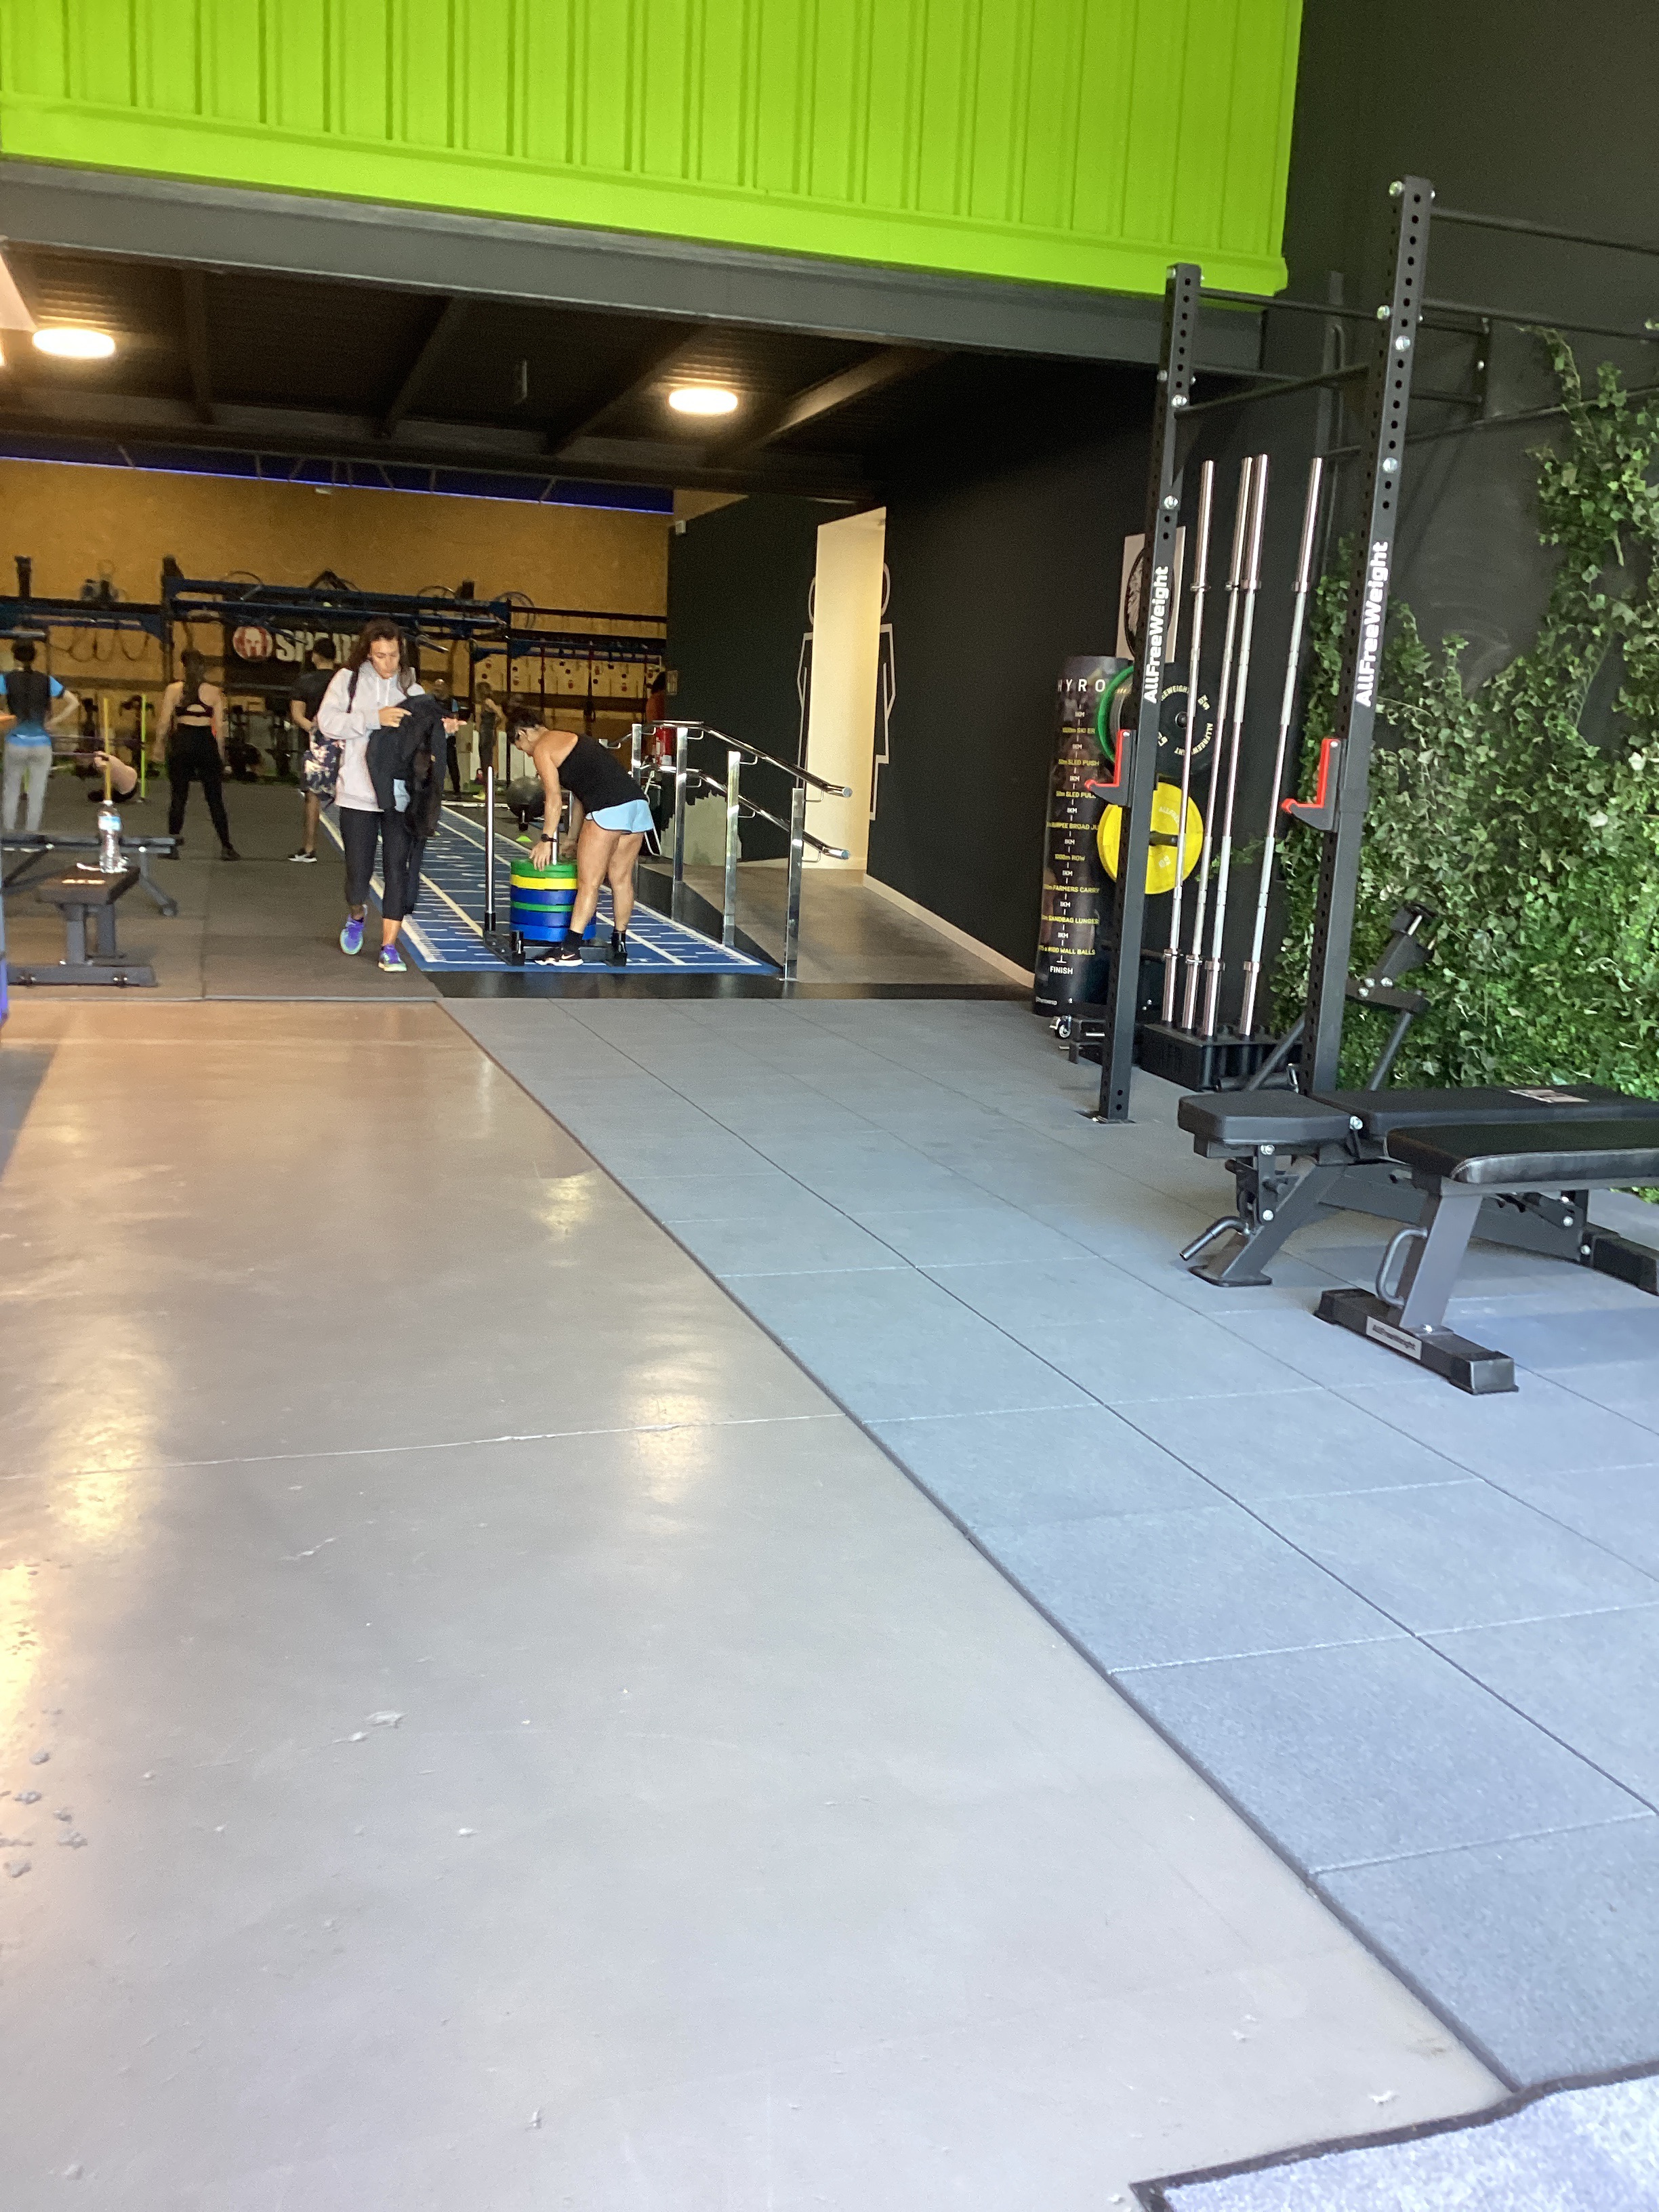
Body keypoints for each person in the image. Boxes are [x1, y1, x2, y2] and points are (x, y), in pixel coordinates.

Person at [317, 619, 425, 974]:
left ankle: (389, 947)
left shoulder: (410, 686)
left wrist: (444, 730)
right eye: (380, 656)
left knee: (397, 869)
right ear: (368, 653)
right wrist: (372, 717)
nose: (388, 663)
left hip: (398, 796)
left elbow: (424, 733)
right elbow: (327, 723)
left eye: (394, 655)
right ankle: (356, 914)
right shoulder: (347, 680)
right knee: (358, 873)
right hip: (357, 794)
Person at [510, 718, 652, 966]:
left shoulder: (543, 748)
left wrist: (547, 839)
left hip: (607, 809)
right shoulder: (573, 739)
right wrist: (572, 838)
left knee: (589, 883)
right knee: (621, 880)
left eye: (519, 745)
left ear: (523, 733)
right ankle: (619, 945)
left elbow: (554, 800)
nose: (524, 751)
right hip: (637, 805)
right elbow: (580, 796)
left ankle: (569, 950)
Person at [158, 650, 239, 859]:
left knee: (178, 796)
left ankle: (172, 847)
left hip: (182, 741)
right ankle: (227, 846)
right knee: (214, 798)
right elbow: (219, 728)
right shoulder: (214, 692)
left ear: (183, 667)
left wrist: (158, 745)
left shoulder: (173, 690)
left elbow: (165, 722)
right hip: (205, 742)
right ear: (203, 668)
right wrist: (221, 756)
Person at [1, 640, 79, 837]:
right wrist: (55, 721)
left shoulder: (6, 679)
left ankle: (9, 836)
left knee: (11, 790)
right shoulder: (47, 681)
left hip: (16, 742)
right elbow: (74, 702)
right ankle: (31, 837)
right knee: (37, 793)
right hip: (42, 744)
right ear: (35, 657)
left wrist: (4, 716)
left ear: (14, 656)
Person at [286, 638, 337, 863]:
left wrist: (316, 731)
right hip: (345, 743)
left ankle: (309, 848)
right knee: (350, 797)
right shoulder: (344, 681)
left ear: (315, 656)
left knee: (313, 795)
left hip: (316, 746)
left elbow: (297, 715)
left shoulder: (305, 682)